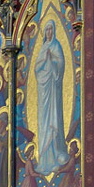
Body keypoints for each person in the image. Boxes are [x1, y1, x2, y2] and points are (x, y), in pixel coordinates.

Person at [33, 20, 70, 175]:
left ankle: (56, 152)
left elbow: (61, 64)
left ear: (53, 31)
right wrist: (44, 59)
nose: (48, 32)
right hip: (43, 91)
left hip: (53, 88)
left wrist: (53, 60)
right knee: (44, 121)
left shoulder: (56, 46)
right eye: (46, 30)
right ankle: (45, 159)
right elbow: (36, 69)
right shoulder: (43, 48)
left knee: (53, 121)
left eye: (50, 29)